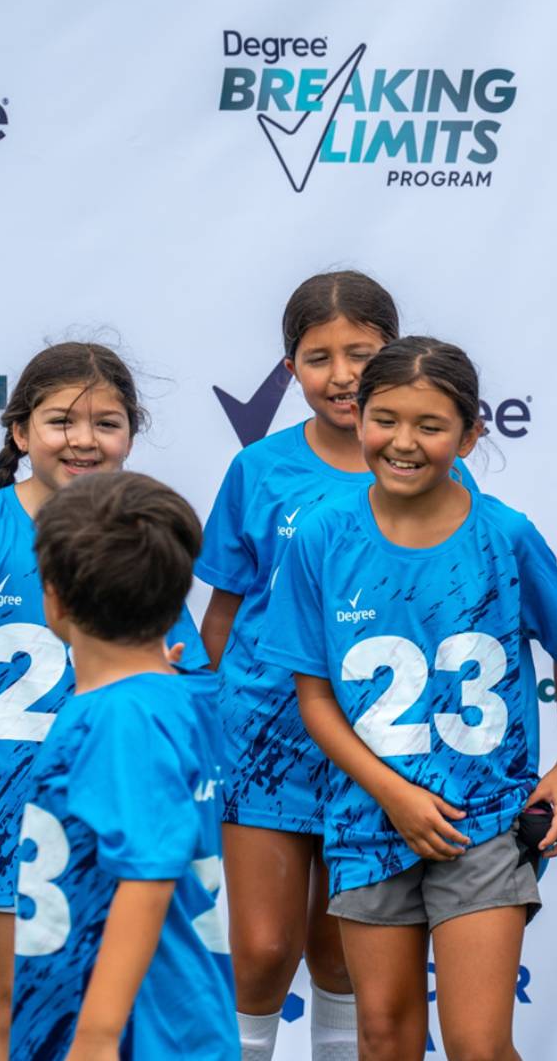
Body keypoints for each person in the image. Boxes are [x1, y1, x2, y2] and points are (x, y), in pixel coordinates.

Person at [262, 337, 557, 1060]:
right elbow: (314, 698)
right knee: (384, 1038)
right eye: (385, 419)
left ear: (471, 434)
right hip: (367, 821)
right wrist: (392, 794)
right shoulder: (322, 537)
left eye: (431, 426)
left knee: (478, 1044)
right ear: (359, 420)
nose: (403, 443)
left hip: (485, 820)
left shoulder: (505, 535)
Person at [0, 342, 207, 1059]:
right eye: (61, 420)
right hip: (0, 824)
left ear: (131, 433)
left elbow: (179, 671)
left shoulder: (139, 536)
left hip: (113, 812)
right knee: (10, 1014)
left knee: (121, 1005)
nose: (84, 439)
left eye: (106, 423)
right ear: (21, 432)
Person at [198, 271, 472, 1060]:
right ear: (290, 371)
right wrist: (219, 714)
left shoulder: (430, 467)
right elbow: (225, 610)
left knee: (345, 959)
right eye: (318, 358)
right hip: (268, 740)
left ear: (397, 352)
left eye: (362, 353)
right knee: (258, 952)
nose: (343, 375)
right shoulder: (260, 470)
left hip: (382, 747)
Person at [8, 471, 236, 1060]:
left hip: (142, 1034)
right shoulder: (170, 694)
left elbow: (147, 875)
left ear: (53, 596)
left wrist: (97, 1036)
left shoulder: (122, 719)